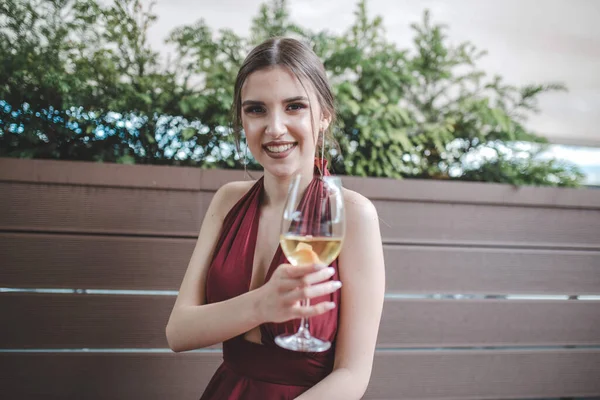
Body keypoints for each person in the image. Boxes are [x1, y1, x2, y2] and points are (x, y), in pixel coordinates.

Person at [166, 37, 386, 400]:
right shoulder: (228, 201)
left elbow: (352, 374)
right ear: (242, 118)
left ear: (324, 115)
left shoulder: (354, 214)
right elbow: (178, 332)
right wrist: (262, 304)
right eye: (256, 110)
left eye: (294, 106)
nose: (275, 128)